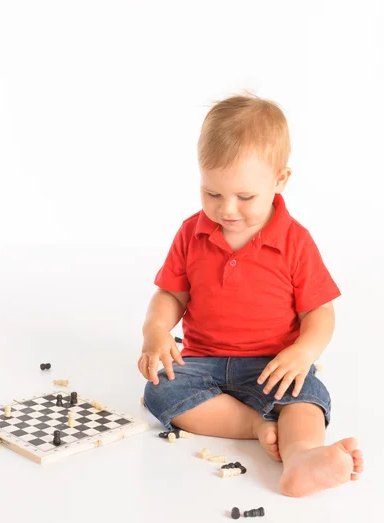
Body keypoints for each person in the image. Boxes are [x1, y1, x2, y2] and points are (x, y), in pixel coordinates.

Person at [138, 92, 364, 497]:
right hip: (202, 361)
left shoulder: (295, 242)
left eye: (245, 197)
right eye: (212, 194)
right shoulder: (192, 233)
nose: (227, 210)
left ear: (279, 181)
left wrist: (303, 353)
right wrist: (155, 331)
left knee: (305, 397)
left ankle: (303, 458)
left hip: (272, 365)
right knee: (161, 390)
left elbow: (320, 313)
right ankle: (256, 426)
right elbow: (171, 295)